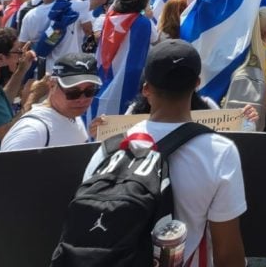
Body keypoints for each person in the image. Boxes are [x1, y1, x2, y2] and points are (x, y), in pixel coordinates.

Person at [83, 40, 246, 266]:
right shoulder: (220, 152)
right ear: (196, 84)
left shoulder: (108, 150)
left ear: (146, 89)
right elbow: (227, 252)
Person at [1, 52, 101, 150]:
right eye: (73, 92)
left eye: (90, 91)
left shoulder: (72, 115)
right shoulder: (32, 130)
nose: (82, 99)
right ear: (52, 85)